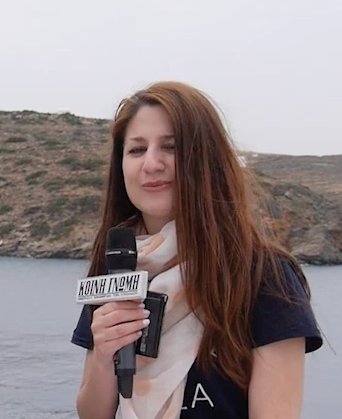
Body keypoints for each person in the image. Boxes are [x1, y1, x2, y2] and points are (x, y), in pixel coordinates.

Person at [71, 81, 322, 419]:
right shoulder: (118, 270)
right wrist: (104, 357)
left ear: (206, 160)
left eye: (171, 147)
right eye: (137, 150)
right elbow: (92, 414)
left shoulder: (263, 276)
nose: (151, 163)